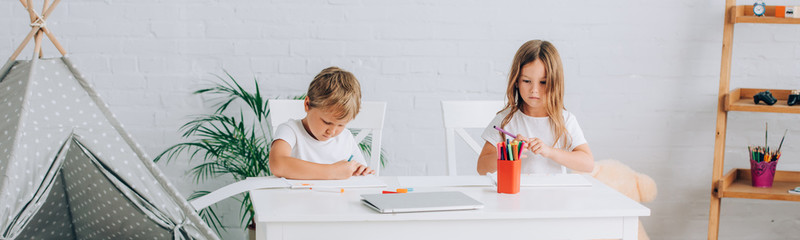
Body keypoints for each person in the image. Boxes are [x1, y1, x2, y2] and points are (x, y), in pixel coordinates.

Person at [477, 40, 594, 175]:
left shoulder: (565, 120)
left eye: (543, 82)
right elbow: (482, 167)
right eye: (527, 81)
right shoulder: (505, 120)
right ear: (516, 81)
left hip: (554, 194)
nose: (534, 90)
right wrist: (510, 153)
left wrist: (550, 151)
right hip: (514, 194)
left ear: (555, 83)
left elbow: (588, 164)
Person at [269, 67, 375, 180]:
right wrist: (332, 172)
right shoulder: (290, 130)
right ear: (307, 104)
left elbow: (360, 175)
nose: (332, 131)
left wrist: (361, 171)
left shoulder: (346, 138)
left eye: (341, 125)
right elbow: (277, 164)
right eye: (326, 122)